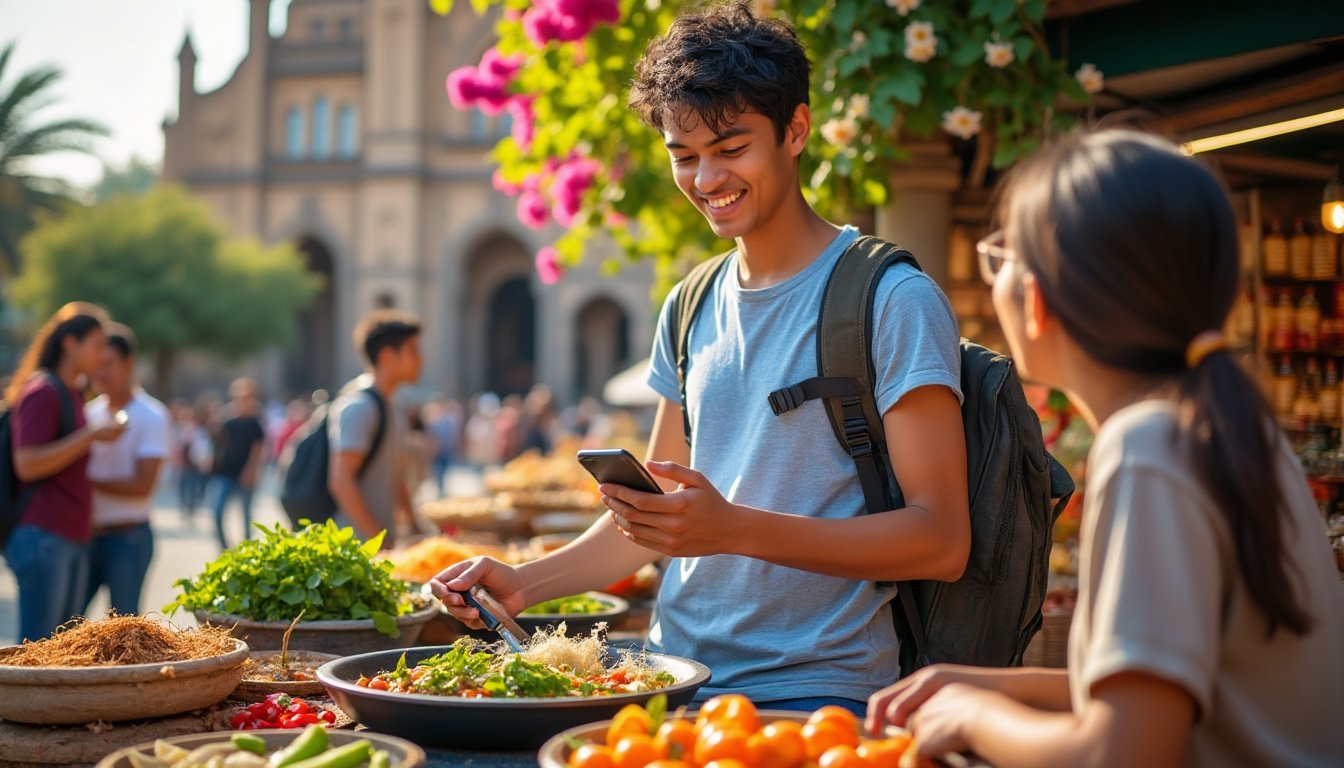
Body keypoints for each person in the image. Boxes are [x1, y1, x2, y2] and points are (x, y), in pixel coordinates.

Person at [433, 2, 969, 714]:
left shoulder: (892, 297)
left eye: (731, 147)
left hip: (814, 696)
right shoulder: (690, 302)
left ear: (796, 130)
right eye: (683, 156)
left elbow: (941, 540)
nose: (707, 179)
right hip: (668, 678)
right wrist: (523, 583)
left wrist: (735, 528)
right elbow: (654, 524)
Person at [866, 128, 1344, 767]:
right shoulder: (1221, 429)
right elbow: (1171, 693)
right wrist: (981, 687)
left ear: (1035, 299)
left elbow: (1123, 751)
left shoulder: (1149, 447)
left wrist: (979, 718)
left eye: (1002, 253)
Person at [3, 302, 124, 641]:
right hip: (44, 535)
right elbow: (26, 463)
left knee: (59, 650)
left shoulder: (71, 392)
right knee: (38, 650)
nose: (103, 355)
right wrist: (91, 435)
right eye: (97, 344)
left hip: (68, 535)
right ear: (71, 343)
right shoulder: (43, 391)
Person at [82, 323, 169, 617]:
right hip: (86, 535)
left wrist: (88, 482)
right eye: (97, 364)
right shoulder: (89, 413)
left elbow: (143, 484)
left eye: (108, 364)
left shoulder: (151, 415)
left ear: (129, 363)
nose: (100, 372)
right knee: (65, 628)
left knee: (123, 630)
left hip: (128, 539)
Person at [328, 310, 423, 548]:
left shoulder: (392, 405)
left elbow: (395, 477)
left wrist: (415, 527)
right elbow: (341, 481)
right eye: (413, 350)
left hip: (377, 545)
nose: (421, 360)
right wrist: (379, 541)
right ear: (388, 356)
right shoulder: (360, 407)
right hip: (354, 549)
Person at [207, 378, 265, 550]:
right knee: (217, 511)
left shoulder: (255, 422)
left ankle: (247, 549)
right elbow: (218, 443)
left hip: (244, 473)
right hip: (226, 472)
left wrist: (252, 471)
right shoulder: (227, 420)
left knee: (246, 515)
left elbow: (258, 450)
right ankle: (224, 548)